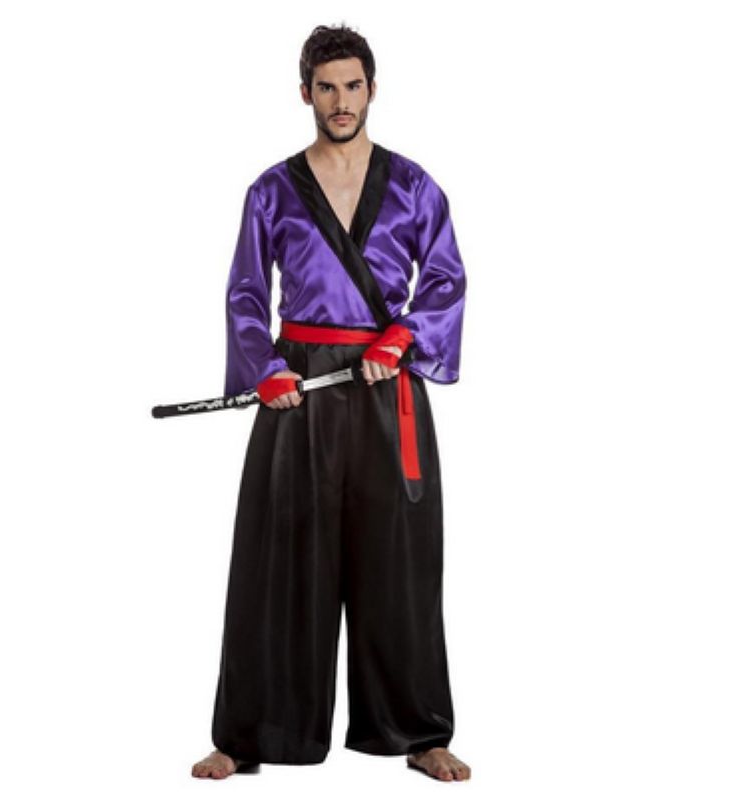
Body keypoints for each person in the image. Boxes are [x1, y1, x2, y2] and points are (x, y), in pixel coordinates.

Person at [191, 24, 470, 782]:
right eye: (326, 87)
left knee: (398, 561)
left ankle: (419, 732)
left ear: (372, 90)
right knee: (279, 555)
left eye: (352, 86)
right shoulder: (272, 190)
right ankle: (249, 734)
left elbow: (447, 280)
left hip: (386, 384)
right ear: (305, 93)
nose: (340, 101)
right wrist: (264, 368)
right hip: (299, 387)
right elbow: (246, 293)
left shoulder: (413, 186)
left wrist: (402, 338)